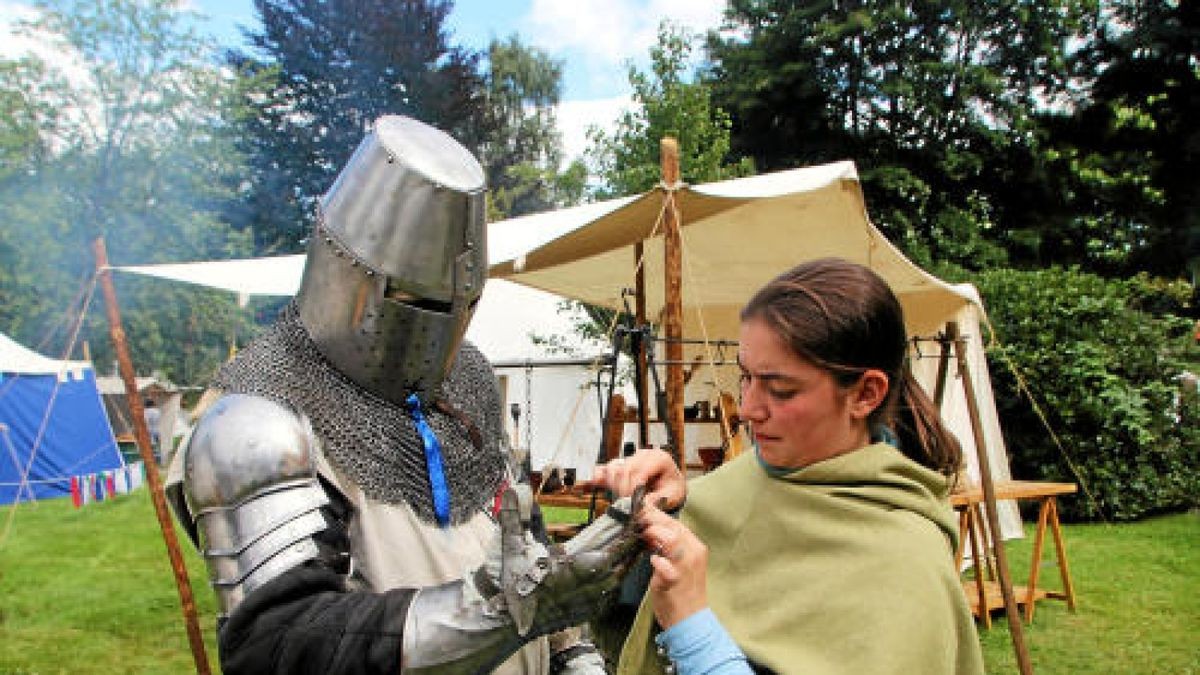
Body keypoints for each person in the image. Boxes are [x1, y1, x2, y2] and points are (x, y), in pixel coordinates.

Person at [165, 115, 645, 675]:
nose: (435, 328)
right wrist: (496, 610)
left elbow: (530, 558)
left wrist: (577, 656)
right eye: (418, 302)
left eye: (453, 305)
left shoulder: (466, 385)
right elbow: (280, 644)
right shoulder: (258, 423)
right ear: (349, 271)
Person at [595, 258, 986, 674]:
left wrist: (694, 633)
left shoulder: (907, 562)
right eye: (746, 377)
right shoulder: (731, 487)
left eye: (780, 390)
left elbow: (692, 618)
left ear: (865, 394)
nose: (747, 409)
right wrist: (666, 508)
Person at [142, 398, 161, 464]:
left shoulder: (146, 411)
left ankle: (153, 462)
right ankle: (158, 461)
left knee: (151, 446)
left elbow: (145, 421)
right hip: (158, 429)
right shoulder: (157, 411)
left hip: (149, 430)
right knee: (158, 446)